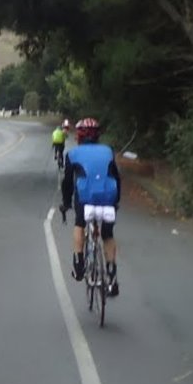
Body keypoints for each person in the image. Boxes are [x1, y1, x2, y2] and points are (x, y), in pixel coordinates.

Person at [60, 116, 120, 296]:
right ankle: (112, 278)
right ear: (98, 136)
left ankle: (79, 266)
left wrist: (66, 203)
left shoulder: (72, 154)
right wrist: (116, 202)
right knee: (108, 234)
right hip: (108, 197)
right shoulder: (108, 151)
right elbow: (116, 178)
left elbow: (67, 184)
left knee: (80, 225)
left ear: (79, 136)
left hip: (85, 198)